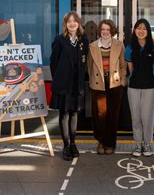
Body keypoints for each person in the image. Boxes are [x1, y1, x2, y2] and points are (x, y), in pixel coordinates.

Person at [50, 11, 89, 161]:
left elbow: (85, 62)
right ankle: (65, 146)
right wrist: (59, 79)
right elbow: (53, 63)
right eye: (69, 21)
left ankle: (73, 144)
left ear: (79, 23)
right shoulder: (59, 40)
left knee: (74, 114)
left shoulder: (83, 41)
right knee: (64, 114)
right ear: (65, 24)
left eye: (75, 21)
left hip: (77, 84)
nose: (72, 24)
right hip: (63, 84)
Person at [87, 19, 127, 155]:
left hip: (114, 83)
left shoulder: (119, 45)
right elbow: (89, 65)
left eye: (108, 30)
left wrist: (122, 80)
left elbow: (123, 65)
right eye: (103, 29)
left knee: (113, 115)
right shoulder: (92, 46)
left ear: (112, 31)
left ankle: (110, 143)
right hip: (98, 83)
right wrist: (92, 80)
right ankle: (101, 141)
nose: (105, 32)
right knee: (100, 114)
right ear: (100, 31)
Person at [125, 19, 154, 157]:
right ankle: (137, 144)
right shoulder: (130, 47)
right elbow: (130, 67)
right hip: (133, 86)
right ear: (134, 30)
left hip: (150, 87)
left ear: (148, 31)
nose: (141, 31)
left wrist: (148, 77)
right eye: (138, 28)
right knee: (136, 117)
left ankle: (147, 144)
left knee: (148, 117)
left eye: (144, 28)